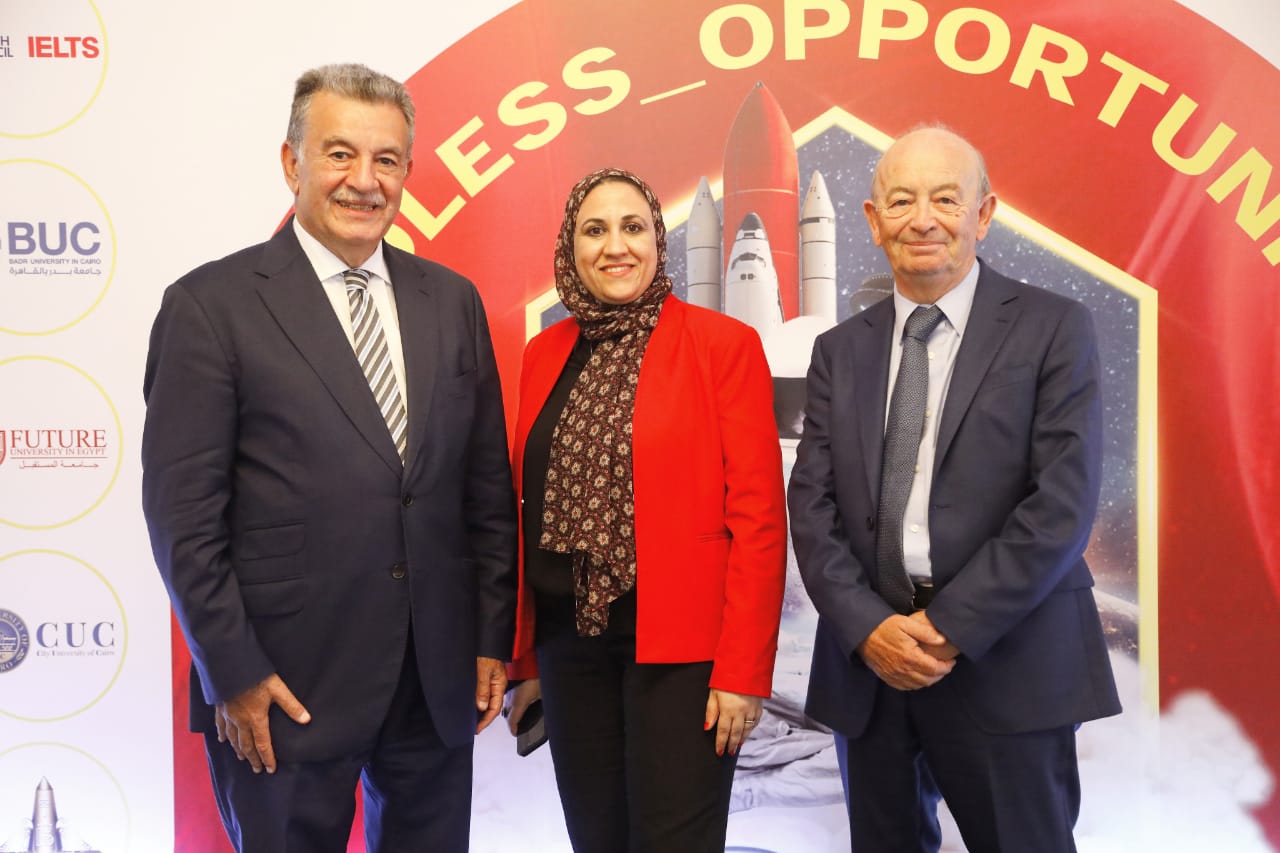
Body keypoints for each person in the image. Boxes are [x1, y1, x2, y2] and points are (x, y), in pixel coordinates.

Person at [141, 63, 516, 852]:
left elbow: (484, 489)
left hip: (433, 682)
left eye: (386, 159)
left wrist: (490, 636)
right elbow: (183, 519)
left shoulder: (452, 301)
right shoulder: (209, 306)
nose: (364, 181)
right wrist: (232, 669)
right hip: (280, 687)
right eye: (340, 154)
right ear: (292, 163)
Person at [788, 125, 1121, 852]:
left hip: (1008, 663)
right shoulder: (839, 351)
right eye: (901, 200)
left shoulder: (1053, 328)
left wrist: (948, 627)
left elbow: (1061, 504)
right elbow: (812, 506)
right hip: (870, 673)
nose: (923, 219)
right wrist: (869, 628)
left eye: (946, 198)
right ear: (874, 221)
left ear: (984, 213)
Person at [503, 167, 787, 852]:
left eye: (632, 227)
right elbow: (523, 512)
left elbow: (759, 522)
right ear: (570, 247)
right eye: (594, 230)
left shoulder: (722, 346)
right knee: (595, 838)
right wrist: (527, 660)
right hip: (569, 651)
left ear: (659, 239)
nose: (615, 246)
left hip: (685, 655)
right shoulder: (544, 353)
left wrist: (744, 672)